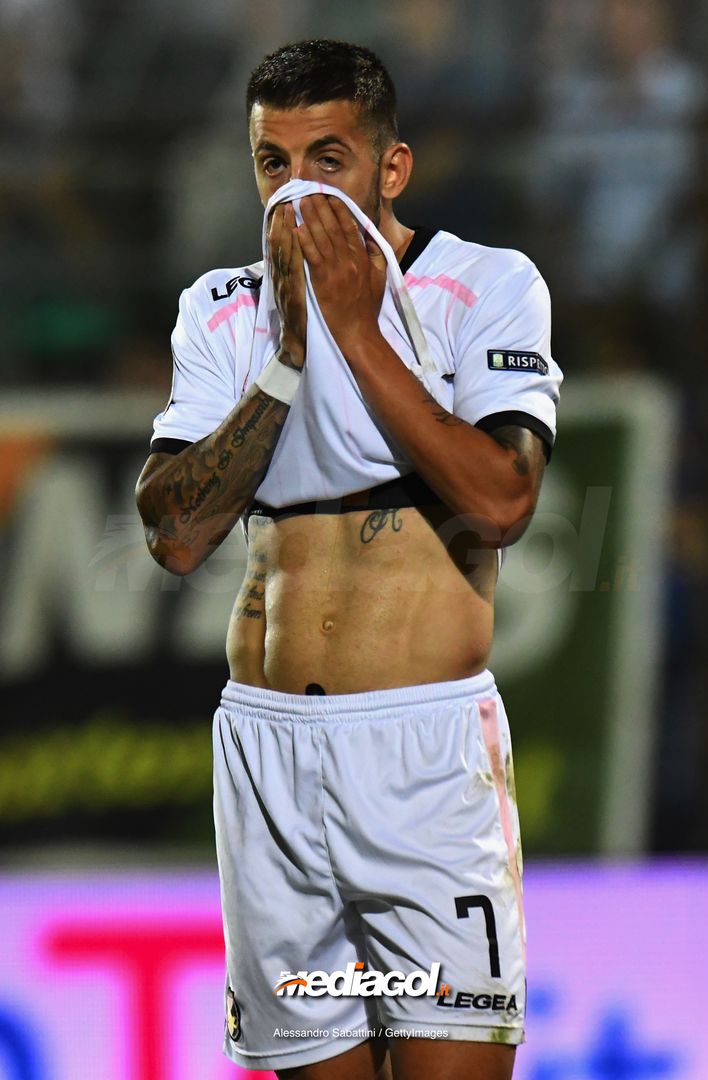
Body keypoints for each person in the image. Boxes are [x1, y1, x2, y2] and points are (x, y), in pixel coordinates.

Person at [136, 39, 562, 1080]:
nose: (296, 191)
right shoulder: (222, 310)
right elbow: (175, 533)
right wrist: (288, 356)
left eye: (326, 159)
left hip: (423, 763)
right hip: (267, 759)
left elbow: (503, 500)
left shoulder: (484, 285)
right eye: (273, 163)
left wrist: (354, 328)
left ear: (391, 166)